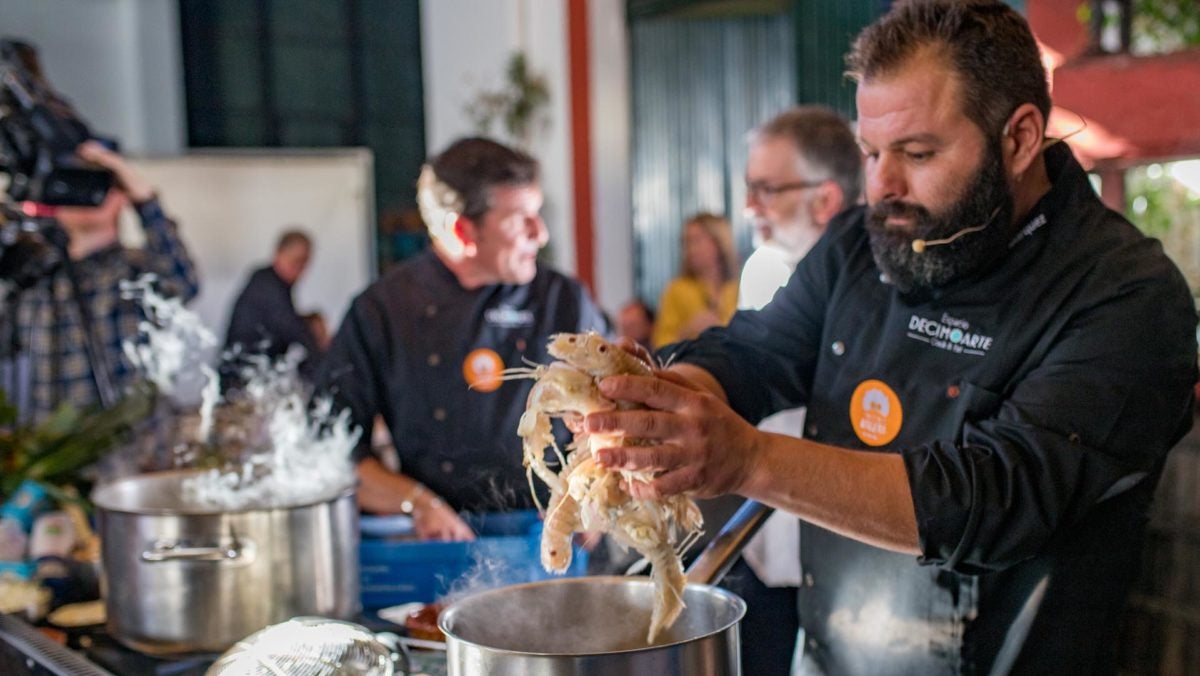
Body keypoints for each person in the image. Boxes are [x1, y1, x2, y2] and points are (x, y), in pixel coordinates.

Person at [586, 2, 1198, 674]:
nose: (882, 186)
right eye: (871, 152)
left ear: (1020, 139)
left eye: (917, 153)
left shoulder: (1126, 296)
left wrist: (750, 461)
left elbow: (999, 496)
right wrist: (673, 398)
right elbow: (757, 351)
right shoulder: (860, 243)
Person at [315, 137, 609, 541]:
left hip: (553, 540)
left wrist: (590, 493)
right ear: (462, 231)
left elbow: (615, 415)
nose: (539, 234)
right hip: (442, 545)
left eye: (538, 214)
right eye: (519, 218)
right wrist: (416, 502)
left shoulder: (564, 300)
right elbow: (333, 451)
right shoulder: (382, 311)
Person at [721, 105, 862, 676]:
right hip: (766, 540)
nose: (751, 205)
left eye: (766, 188)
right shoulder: (765, 269)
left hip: (847, 556)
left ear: (825, 200)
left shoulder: (874, 293)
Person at [4, 141, 199, 422]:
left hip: (133, 446)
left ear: (120, 197)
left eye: (95, 185)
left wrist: (141, 196)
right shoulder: (35, 279)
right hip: (57, 451)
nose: (80, 196)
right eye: (70, 184)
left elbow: (184, 283)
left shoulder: (137, 270)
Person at [224, 229, 328, 382]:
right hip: (241, 382)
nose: (300, 270)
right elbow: (294, 331)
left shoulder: (273, 285)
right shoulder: (266, 286)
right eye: (295, 261)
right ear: (278, 254)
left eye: (304, 263)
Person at [651, 212, 739, 348]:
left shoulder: (738, 289)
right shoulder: (676, 290)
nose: (690, 249)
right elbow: (660, 345)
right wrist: (686, 331)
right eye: (686, 242)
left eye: (697, 240)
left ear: (718, 243)